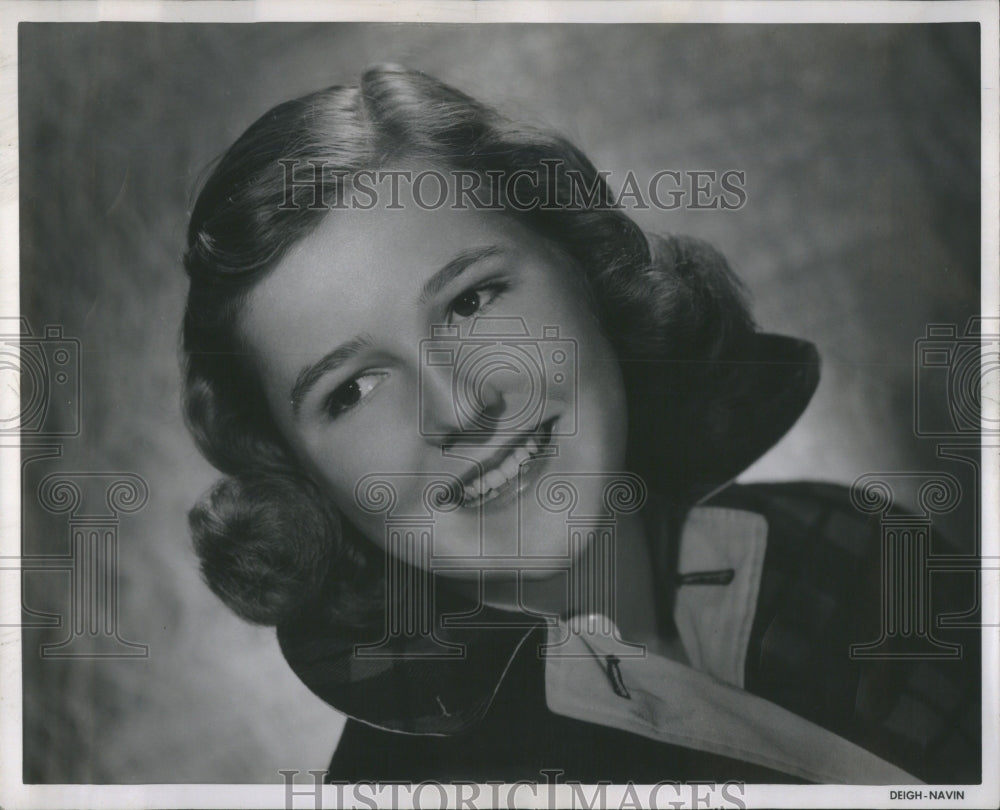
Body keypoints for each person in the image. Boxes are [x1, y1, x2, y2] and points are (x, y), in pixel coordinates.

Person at [181, 64, 979, 785]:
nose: (460, 407)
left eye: (471, 300)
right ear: (301, 481)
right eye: (352, 390)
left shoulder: (858, 546)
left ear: (583, 265)